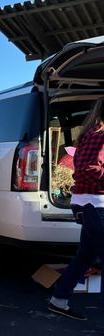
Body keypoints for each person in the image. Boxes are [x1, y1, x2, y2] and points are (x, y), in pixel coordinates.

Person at [48, 98, 104, 321]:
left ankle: (58, 300)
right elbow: (90, 169)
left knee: (85, 256)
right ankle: (59, 300)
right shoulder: (99, 136)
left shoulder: (91, 134)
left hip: (87, 203)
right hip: (94, 204)